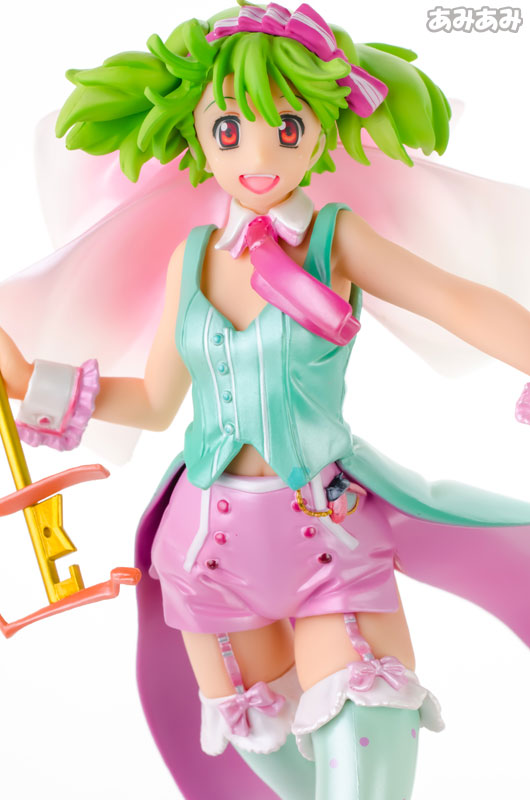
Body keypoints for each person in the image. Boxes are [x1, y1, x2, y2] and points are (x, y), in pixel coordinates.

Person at [1, 3, 529, 799]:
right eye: (229, 130)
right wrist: (26, 381)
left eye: (286, 128)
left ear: (321, 130)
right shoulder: (192, 260)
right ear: (195, 140)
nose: (257, 155)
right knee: (283, 784)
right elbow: (153, 401)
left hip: (330, 541)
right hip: (206, 557)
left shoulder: (333, 240)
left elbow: (456, 300)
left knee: (366, 775)